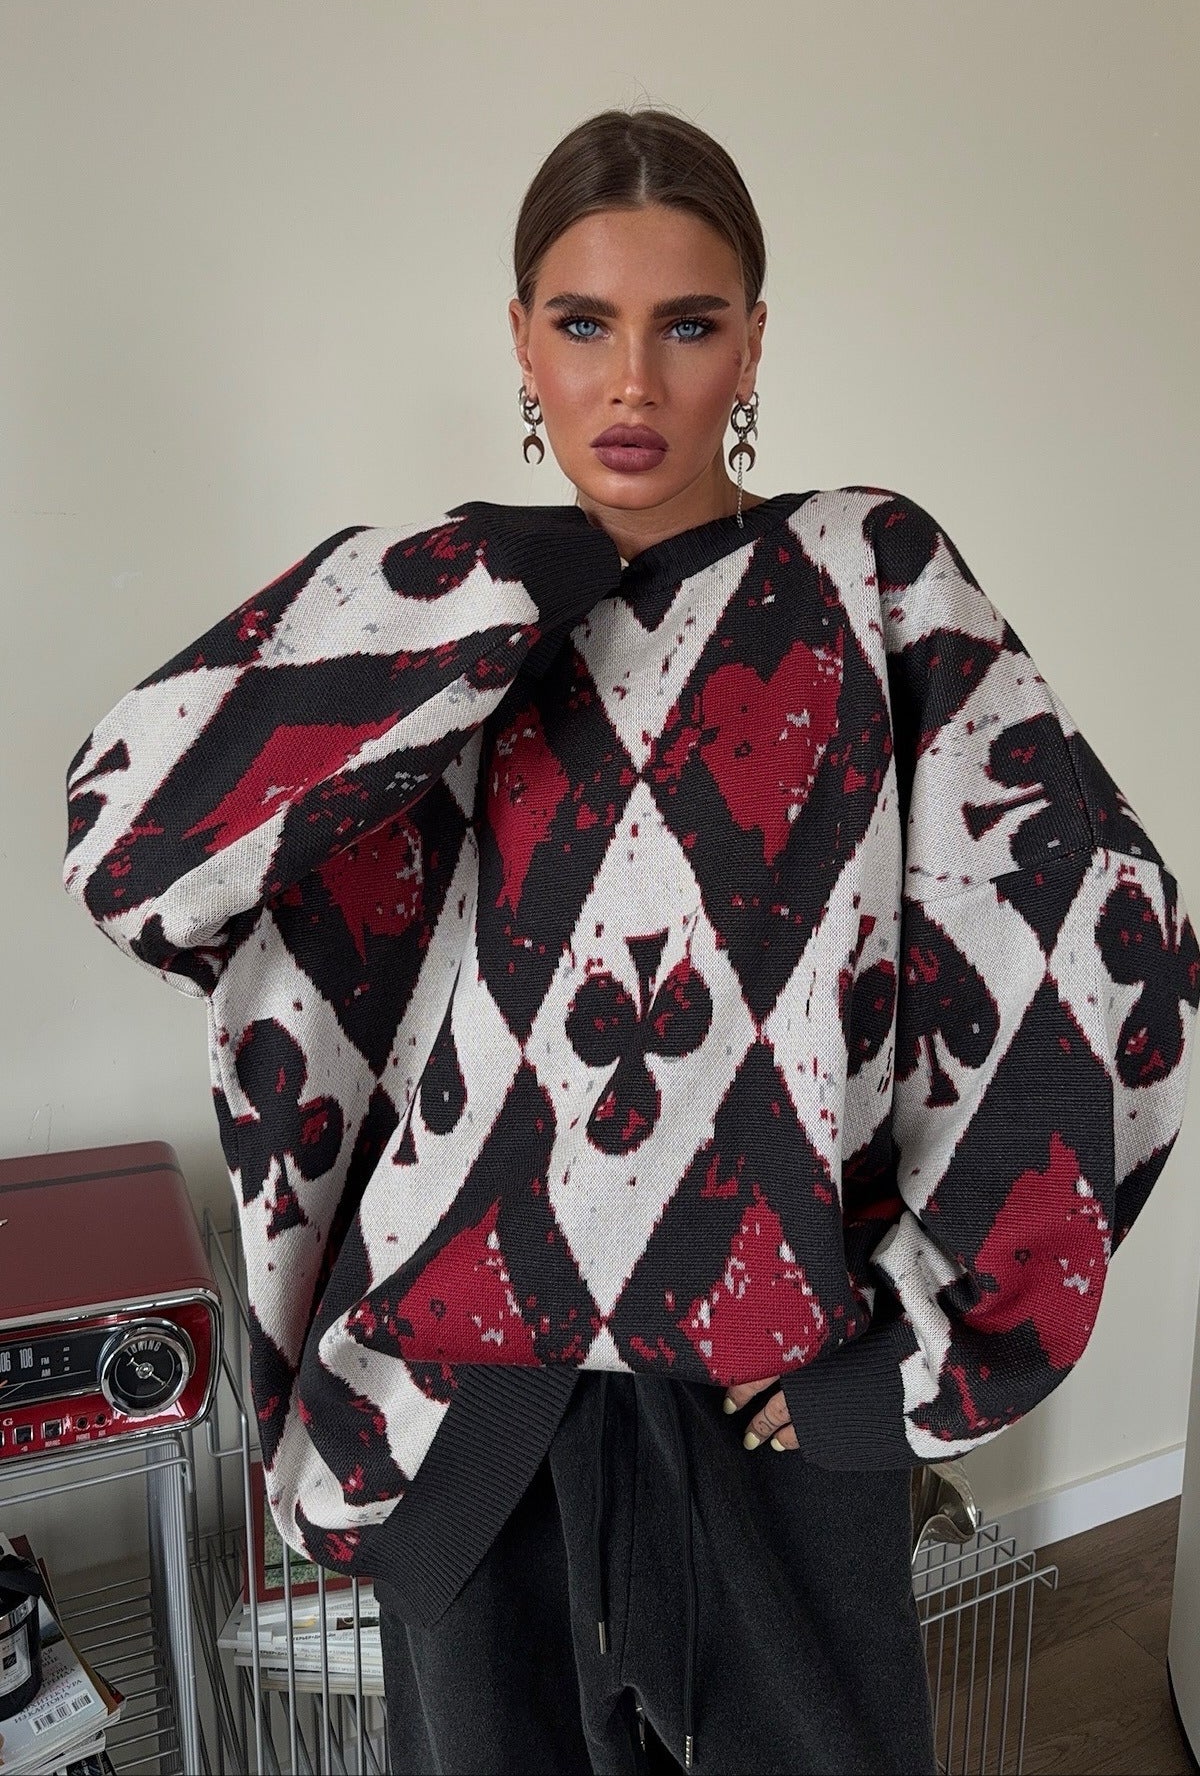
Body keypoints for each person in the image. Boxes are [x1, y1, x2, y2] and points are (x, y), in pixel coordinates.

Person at [61, 106, 1198, 1775]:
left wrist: (925, 1337)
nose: (634, 383)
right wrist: (484, 586)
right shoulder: (457, 614)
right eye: (585, 324)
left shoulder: (867, 577)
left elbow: (1100, 943)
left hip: (770, 1371)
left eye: (690, 324)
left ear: (756, 342)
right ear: (521, 339)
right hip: (469, 1381)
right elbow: (137, 847)